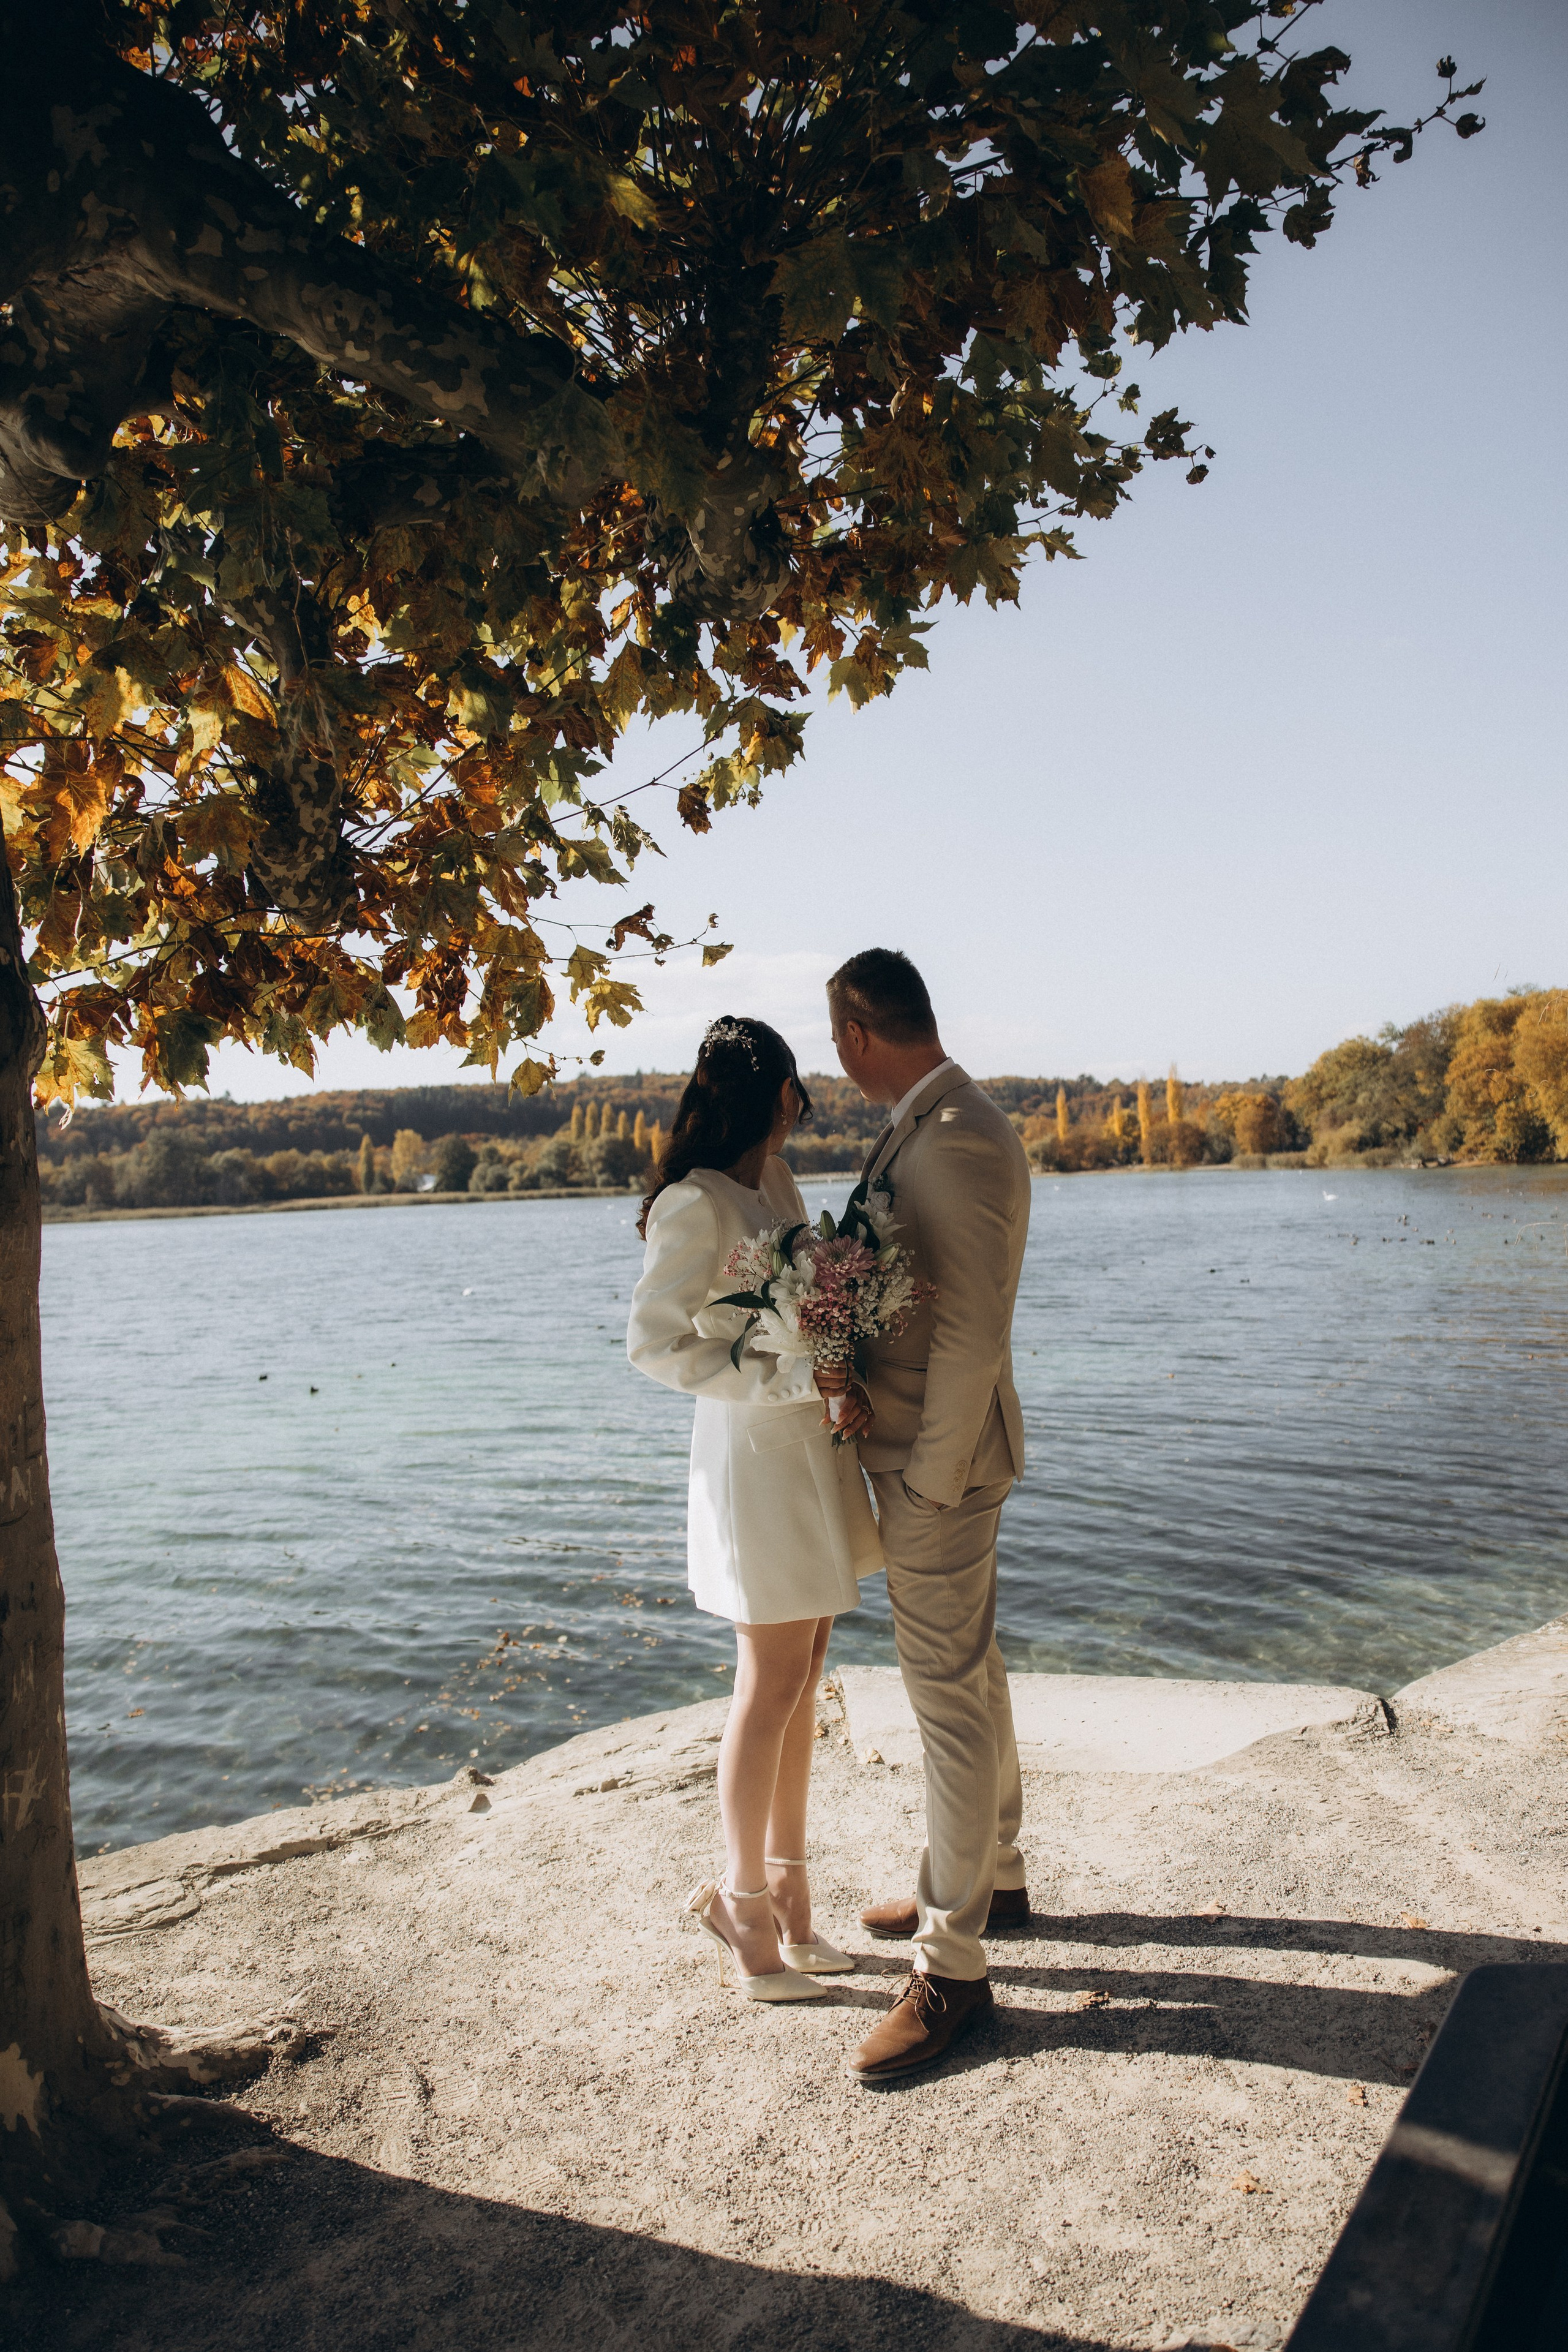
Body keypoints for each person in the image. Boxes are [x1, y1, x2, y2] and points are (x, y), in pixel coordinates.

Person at [627, 1016, 883, 2002]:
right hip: (753, 1453)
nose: (804, 1097)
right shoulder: (694, 1202)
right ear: (772, 1089)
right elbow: (655, 1346)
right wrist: (780, 1380)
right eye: (794, 1082)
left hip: (809, 1453)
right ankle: (740, 1902)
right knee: (768, 1681)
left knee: (808, 1668)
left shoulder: (775, 1183)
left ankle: (790, 1897)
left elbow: (807, 1301)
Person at [827, 949, 1033, 2081]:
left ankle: (954, 1969)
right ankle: (994, 1875)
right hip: (930, 1456)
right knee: (973, 1668)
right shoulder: (929, 1120)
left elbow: (971, 1332)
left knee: (943, 1698)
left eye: (836, 1040)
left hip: (938, 1468)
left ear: (858, 1030)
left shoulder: (954, 1135)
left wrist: (929, 1479)